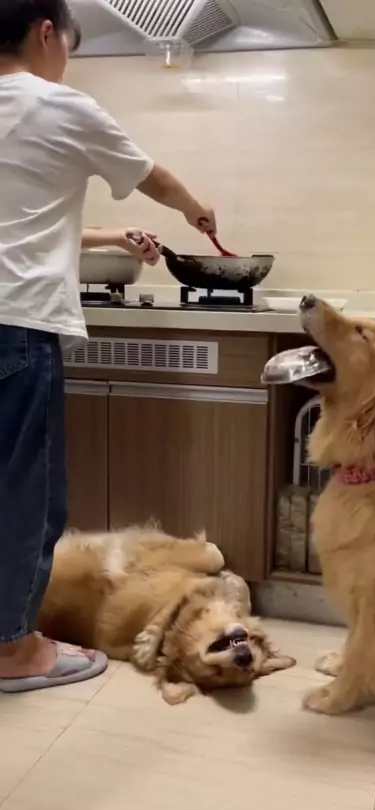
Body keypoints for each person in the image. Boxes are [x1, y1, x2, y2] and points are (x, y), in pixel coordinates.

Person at [0, 0, 217, 692]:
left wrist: (109, 236)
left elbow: (24, 217)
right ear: (45, 33)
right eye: (69, 43)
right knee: (25, 496)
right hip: (16, 324)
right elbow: (152, 175)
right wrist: (194, 209)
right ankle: (13, 650)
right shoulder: (57, 104)